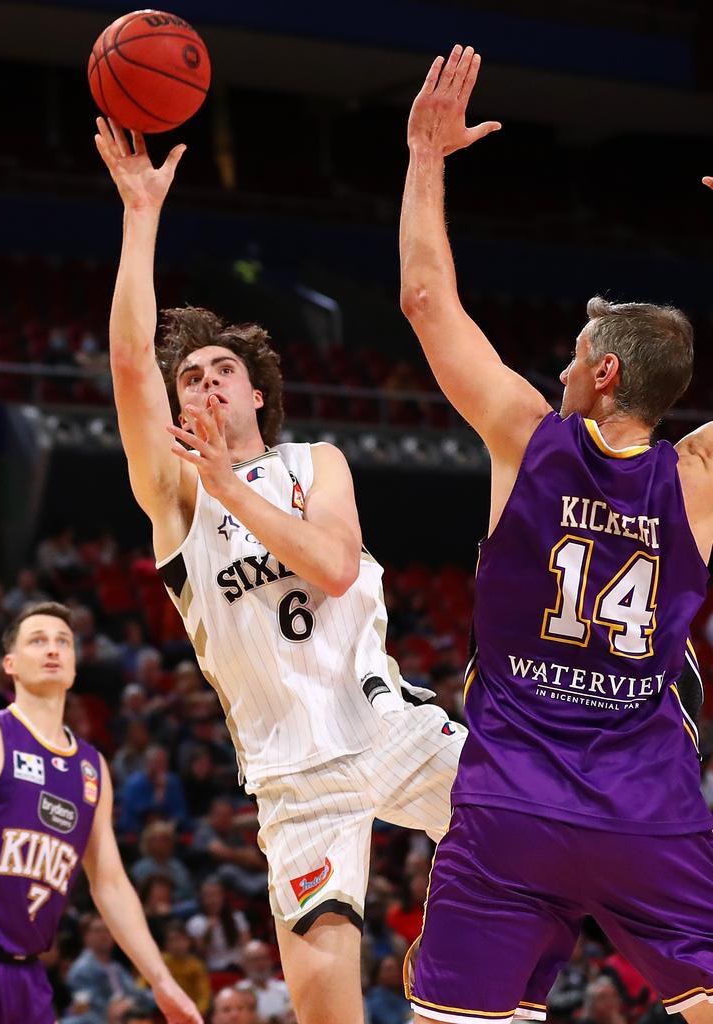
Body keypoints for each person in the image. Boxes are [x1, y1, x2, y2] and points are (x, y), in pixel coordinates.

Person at [95, 113, 467, 1024]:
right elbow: (130, 361)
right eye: (192, 379)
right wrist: (141, 213)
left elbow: (337, 566)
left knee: (562, 833)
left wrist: (239, 485)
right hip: (293, 774)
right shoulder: (175, 498)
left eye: (223, 371)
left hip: (392, 729)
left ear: (256, 390)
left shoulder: (315, 463)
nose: (206, 384)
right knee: (322, 1001)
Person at [399, 43, 713, 1024]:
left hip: (510, 812)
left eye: (579, 352)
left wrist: (424, 157)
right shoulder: (698, 481)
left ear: (607, 374)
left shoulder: (525, 438)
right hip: (650, 817)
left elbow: (424, 300)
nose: (566, 364)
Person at [0, 601, 201, 1023]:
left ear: (75, 666)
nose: (53, 649)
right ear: (10, 664)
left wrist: (160, 979)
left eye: (63, 642)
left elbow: (111, 883)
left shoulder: (91, 767)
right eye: (38, 640)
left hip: (29, 975)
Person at [235, 940, 291, 1022]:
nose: (261, 964)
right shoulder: (238, 993)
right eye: (255, 960)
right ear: (245, 963)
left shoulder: (284, 988)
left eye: (265, 958)